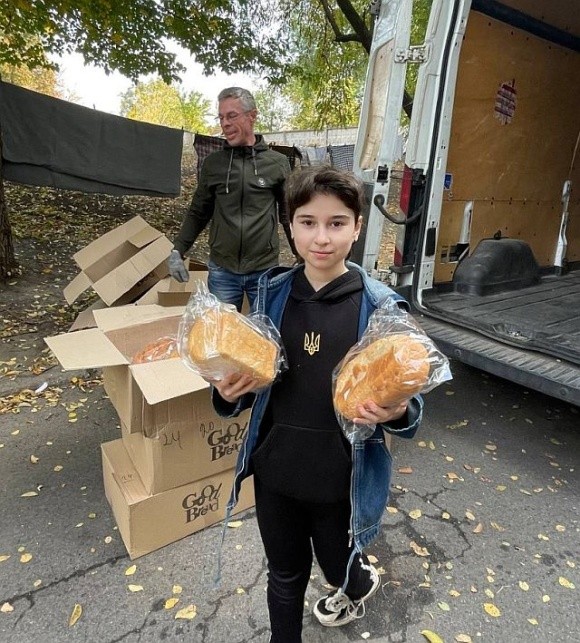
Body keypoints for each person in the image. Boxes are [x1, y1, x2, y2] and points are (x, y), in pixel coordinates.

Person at [207, 166, 424, 642]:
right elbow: (246, 379)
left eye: (336, 223)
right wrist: (225, 393)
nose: (321, 238)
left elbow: (409, 400)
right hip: (276, 472)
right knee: (284, 577)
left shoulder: (382, 309)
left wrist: (399, 412)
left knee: (337, 566)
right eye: (307, 222)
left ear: (358, 226)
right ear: (289, 225)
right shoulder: (270, 295)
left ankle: (354, 581)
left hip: (341, 480)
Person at [168, 86, 293, 311]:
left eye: (232, 116)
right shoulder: (213, 164)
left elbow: (288, 215)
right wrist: (178, 250)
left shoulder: (277, 163)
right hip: (222, 271)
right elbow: (199, 211)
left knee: (264, 335)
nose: (224, 124)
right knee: (223, 337)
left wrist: (302, 256)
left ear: (252, 116)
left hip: (263, 269)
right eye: (221, 117)